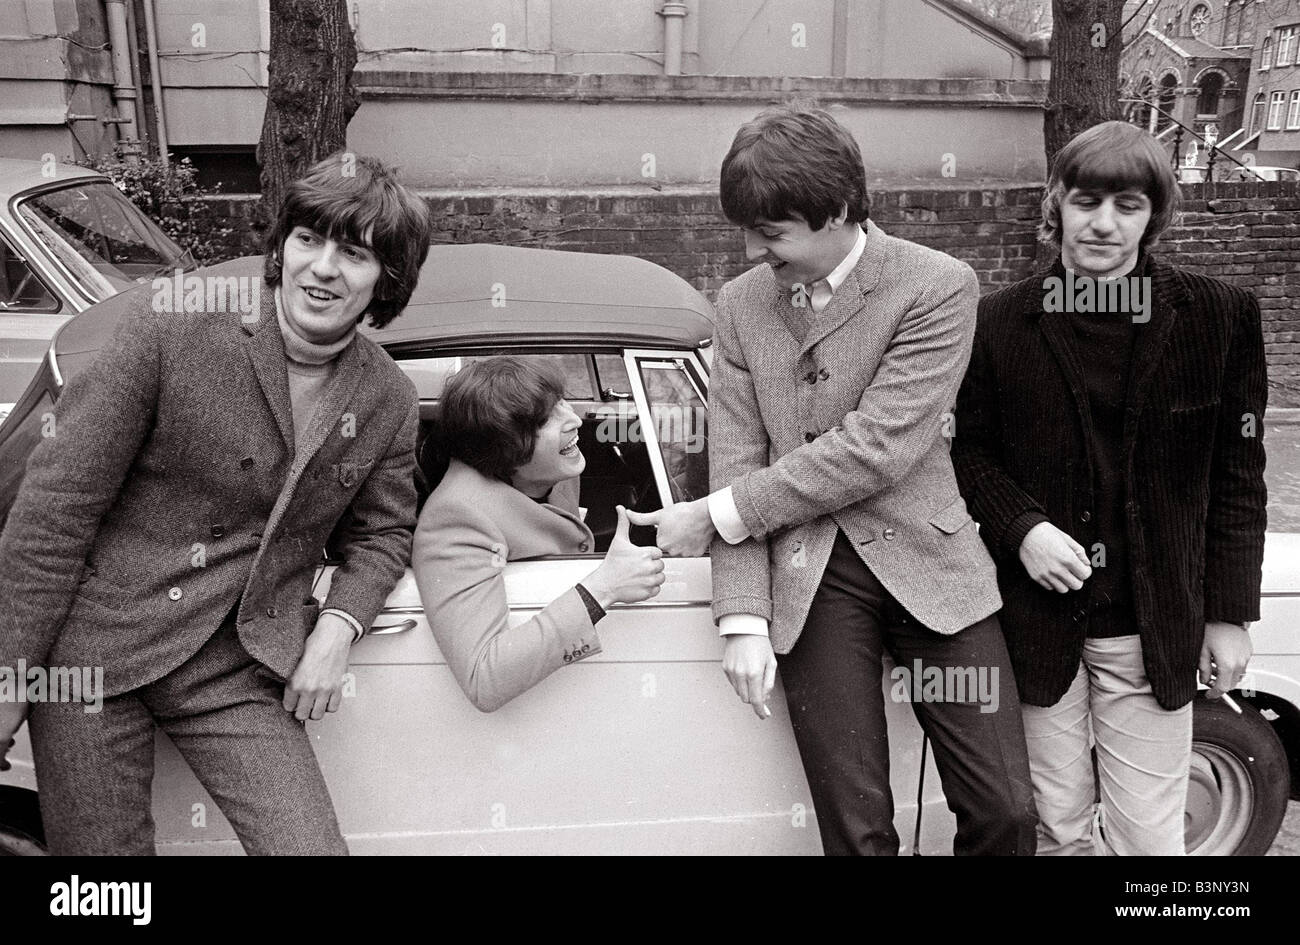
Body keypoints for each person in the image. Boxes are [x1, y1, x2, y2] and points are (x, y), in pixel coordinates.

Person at [630, 103, 1037, 855]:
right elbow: (737, 455)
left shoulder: (937, 285)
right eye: (746, 229)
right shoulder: (741, 306)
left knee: (1007, 808)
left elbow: (877, 448)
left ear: (840, 209)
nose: (753, 248)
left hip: (934, 565)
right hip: (809, 577)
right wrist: (743, 618)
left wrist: (718, 514)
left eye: (772, 231)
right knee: (855, 831)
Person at [0, 152, 432, 854]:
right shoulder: (169, 329)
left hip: (234, 662)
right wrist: (10, 674)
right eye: (308, 239)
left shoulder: (387, 398)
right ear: (283, 243)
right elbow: (56, 508)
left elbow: (384, 533)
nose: (322, 268)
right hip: (93, 652)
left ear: (388, 280)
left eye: (353, 254)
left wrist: (340, 626)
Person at [951, 120, 1266, 855]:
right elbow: (968, 452)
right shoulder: (998, 322)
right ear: (1055, 204)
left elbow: (1239, 474)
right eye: (1087, 200)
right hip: (1036, 624)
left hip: (1153, 622)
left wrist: (1229, 615)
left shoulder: (1219, 317)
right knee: (1057, 831)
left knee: (1149, 840)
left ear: (1154, 214)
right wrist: (1022, 526)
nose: (1104, 223)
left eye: (1128, 204)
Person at [412, 356, 665, 712]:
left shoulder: (551, 468)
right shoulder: (456, 520)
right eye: (547, 418)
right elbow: (484, 676)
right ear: (503, 447)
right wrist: (604, 587)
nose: (575, 419)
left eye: (562, 401)